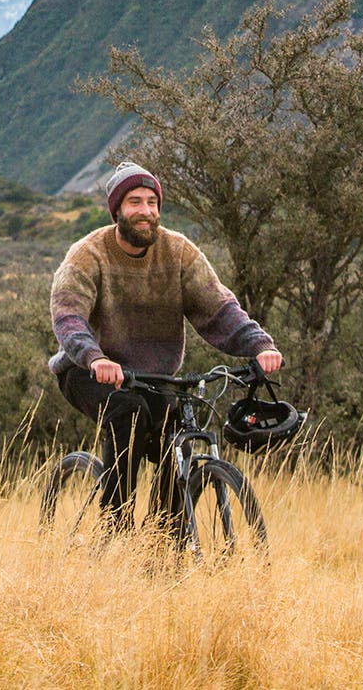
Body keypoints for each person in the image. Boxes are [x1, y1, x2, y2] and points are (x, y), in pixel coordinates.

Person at [50, 161, 283, 524]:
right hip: (88, 371)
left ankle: (162, 542)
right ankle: (117, 525)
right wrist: (94, 357)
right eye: (134, 202)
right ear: (117, 210)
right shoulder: (88, 253)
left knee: (179, 442)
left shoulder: (178, 251)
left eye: (151, 202)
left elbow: (218, 306)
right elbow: (68, 315)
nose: (145, 211)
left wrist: (260, 345)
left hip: (154, 378)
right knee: (128, 412)